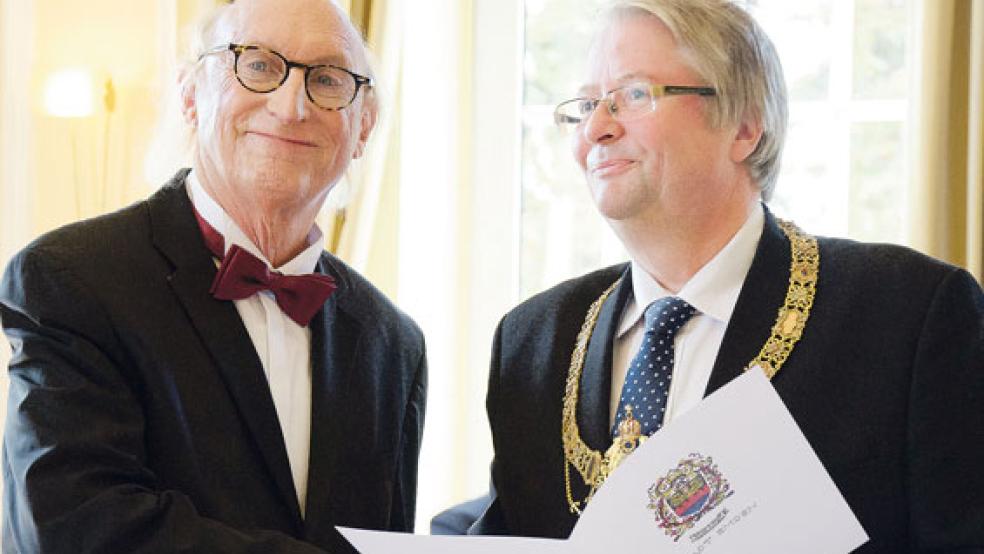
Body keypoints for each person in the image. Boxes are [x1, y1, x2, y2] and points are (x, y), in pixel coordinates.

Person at [445, 1, 984, 552]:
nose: (597, 128)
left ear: (745, 126)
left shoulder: (906, 313)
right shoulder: (532, 341)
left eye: (634, 95)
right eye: (586, 105)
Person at [0, 0, 426, 552]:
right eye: (258, 64)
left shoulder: (393, 344)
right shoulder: (70, 280)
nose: (291, 104)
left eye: (327, 78)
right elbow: (79, 529)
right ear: (190, 94)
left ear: (362, 126)